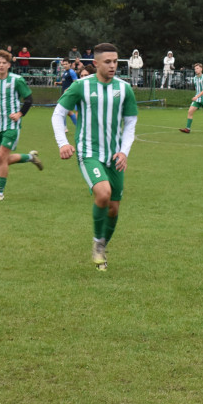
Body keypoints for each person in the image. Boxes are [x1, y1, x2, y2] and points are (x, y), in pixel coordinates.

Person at [52, 43, 138, 271]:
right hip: (89, 153)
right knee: (103, 193)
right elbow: (58, 113)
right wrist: (63, 143)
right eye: (108, 62)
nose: (113, 65)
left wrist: (124, 152)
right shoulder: (81, 86)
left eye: (116, 61)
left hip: (114, 156)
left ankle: (101, 245)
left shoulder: (124, 89)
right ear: (96, 63)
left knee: (114, 209)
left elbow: (130, 123)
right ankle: (97, 244)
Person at [0, 50, 42, 201]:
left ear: (9, 65)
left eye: (4, 63)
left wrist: (19, 114)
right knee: (3, 159)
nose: (1, 65)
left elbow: (28, 99)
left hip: (12, 124)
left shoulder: (17, 80)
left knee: (2, 156)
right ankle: (30, 157)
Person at [179, 63, 203, 133]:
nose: (196, 70)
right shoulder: (194, 78)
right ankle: (187, 129)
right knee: (190, 111)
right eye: (195, 69)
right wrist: (196, 97)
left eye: (197, 68)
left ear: (201, 69)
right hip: (197, 99)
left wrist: (196, 96)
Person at [55, 59, 80, 131]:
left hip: (69, 94)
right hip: (65, 94)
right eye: (64, 64)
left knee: (64, 110)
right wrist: (58, 83)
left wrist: (68, 89)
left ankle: (66, 127)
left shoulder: (71, 72)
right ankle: (68, 127)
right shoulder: (65, 72)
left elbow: (75, 82)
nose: (65, 65)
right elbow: (65, 82)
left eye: (66, 64)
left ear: (70, 64)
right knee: (67, 112)